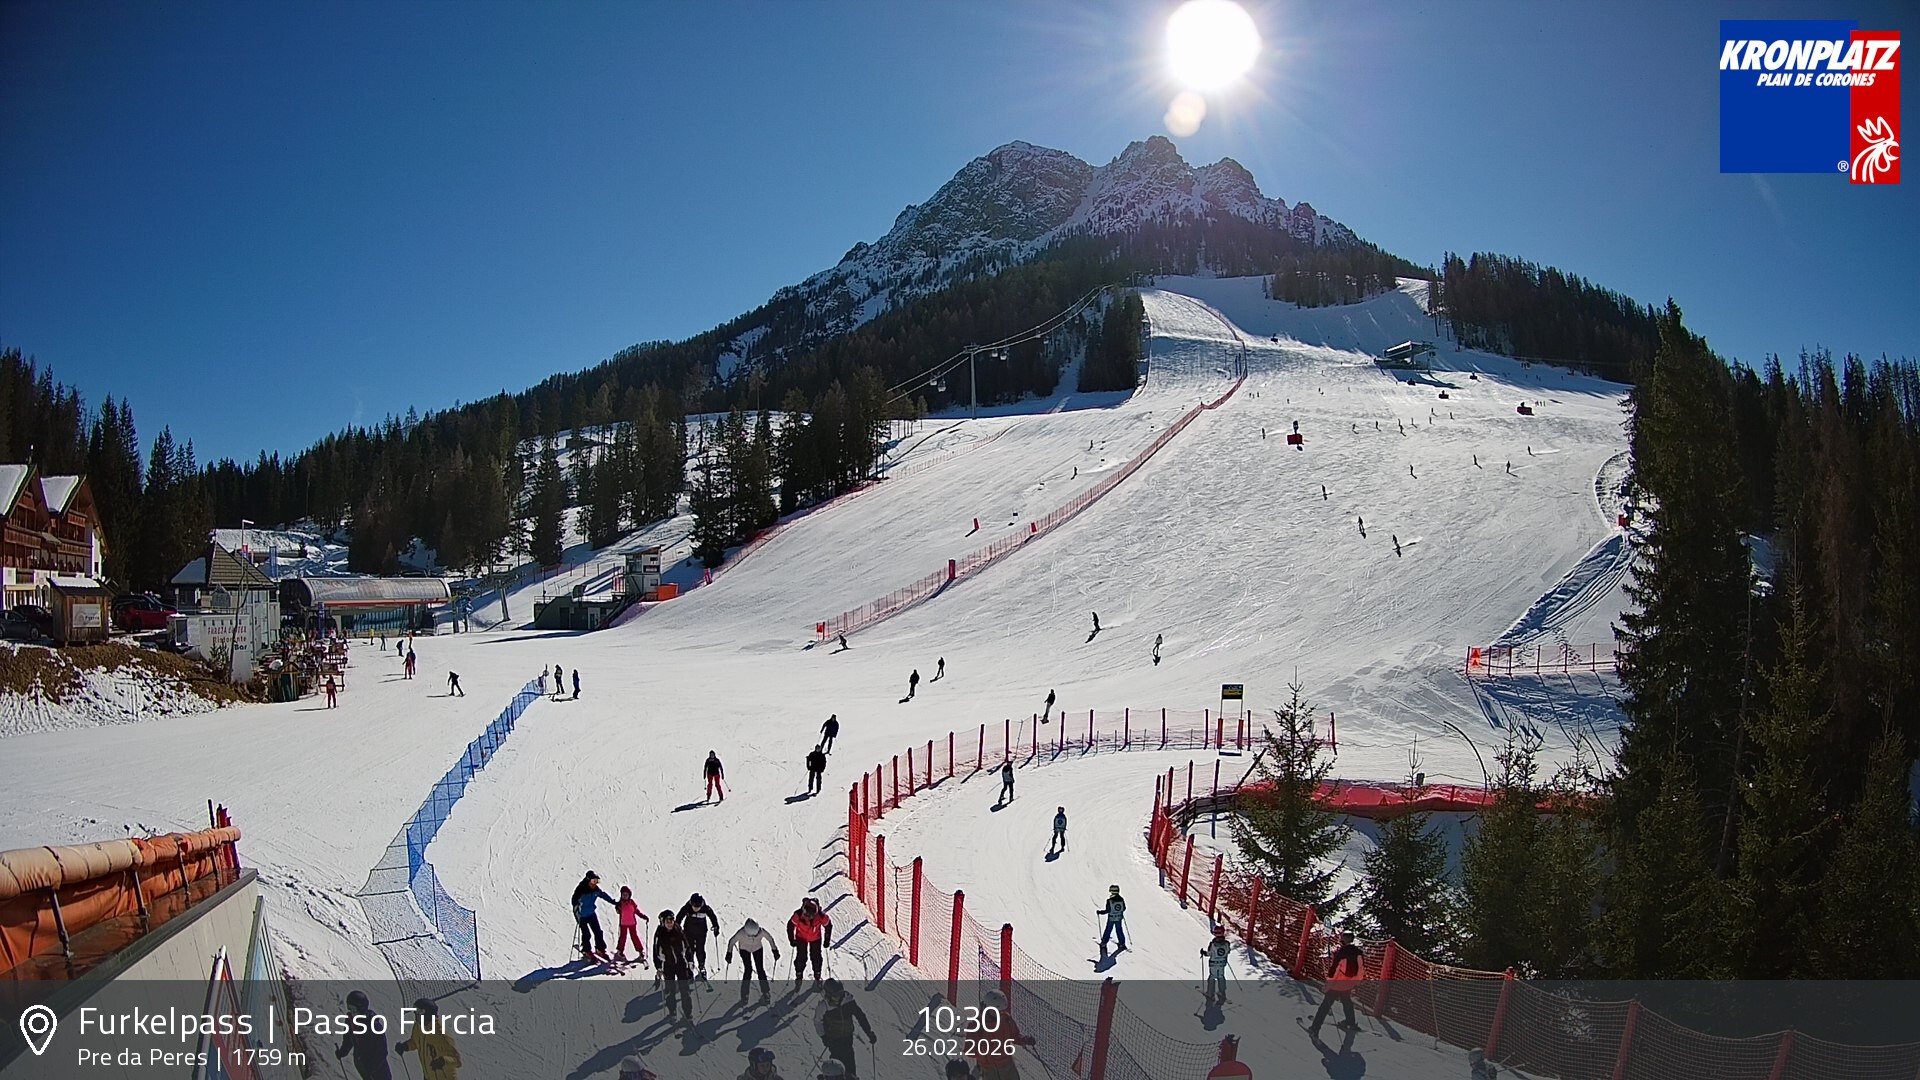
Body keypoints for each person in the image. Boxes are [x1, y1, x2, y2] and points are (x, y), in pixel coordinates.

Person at [815, 979, 877, 1077]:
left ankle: (852, 1077)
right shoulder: (824, 1006)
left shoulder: (848, 1001)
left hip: (847, 1038)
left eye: (841, 993)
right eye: (836, 995)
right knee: (837, 1063)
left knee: (849, 1062)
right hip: (833, 1040)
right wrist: (824, 1037)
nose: (839, 997)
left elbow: (859, 1015)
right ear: (829, 995)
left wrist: (869, 1032)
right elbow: (818, 1022)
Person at [1307, 931, 1365, 1036]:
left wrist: (1327, 986)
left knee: (1325, 1006)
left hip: (1336, 985)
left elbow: (1334, 972)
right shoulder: (1358, 953)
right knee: (1347, 1002)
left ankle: (1315, 1028)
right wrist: (1355, 982)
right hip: (1348, 984)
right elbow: (1360, 970)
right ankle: (1351, 1023)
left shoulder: (1341, 954)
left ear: (1343, 940)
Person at [394, 998, 461, 1080]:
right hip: (429, 1076)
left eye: (418, 1013)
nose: (415, 1015)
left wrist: (443, 1061)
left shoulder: (441, 1035)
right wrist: (405, 1046)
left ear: (427, 1015)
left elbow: (457, 1060)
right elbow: (415, 1042)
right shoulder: (418, 1026)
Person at [971, 989, 1031, 1080]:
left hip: (1007, 1065)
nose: (999, 1014)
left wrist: (1024, 1040)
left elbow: (1014, 1035)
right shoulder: (979, 1024)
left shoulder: (1006, 1019)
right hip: (990, 1069)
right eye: (995, 1011)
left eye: (1001, 1011)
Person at [333, 989, 392, 1080]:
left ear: (362, 1008)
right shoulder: (350, 1021)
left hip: (378, 1068)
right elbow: (348, 1040)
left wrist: (372, 1068)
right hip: (361, 1063)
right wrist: (342, 1052)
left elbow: (382, 1050)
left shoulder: (373, 1025)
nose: (351, 1012)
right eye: (349, 1008)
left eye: (354, 1009)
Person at [654, 909, 696, 1023]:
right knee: (670, 991)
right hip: (668, 965)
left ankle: (688, 1013)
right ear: (662, 922)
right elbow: (656, 952)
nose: (670, 923)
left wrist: (690, 961)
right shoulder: (660, 934)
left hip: (681, 963)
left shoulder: (678, 930)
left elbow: (687, 946)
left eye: (672, 920)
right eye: (667, 921)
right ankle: (672, 1012)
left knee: (685, 990)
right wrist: (659, 967)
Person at [727, 918, 782, 1003]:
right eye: (751, 936)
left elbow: (770, 939)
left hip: (757, 949)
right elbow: (731, 941)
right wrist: (729, 953)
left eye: (755, 935)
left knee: (760, 969)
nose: (753, 937)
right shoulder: (741, 933)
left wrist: (774, 950)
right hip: (744, 949)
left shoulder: (761, 931)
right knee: (748, 970)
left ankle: (766, 992)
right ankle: (745, 994)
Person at [572, 872, 616, 961]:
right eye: (593, 881)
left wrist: (614, 902)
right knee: (586, 934)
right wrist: (577, 907)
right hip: (582, 915)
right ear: (588, 880)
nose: (595, 883)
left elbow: (603, 895)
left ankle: (600, 948)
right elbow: (574, 900)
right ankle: (587, 950)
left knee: (598, 931)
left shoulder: (595, 890)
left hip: (591, 913)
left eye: (596, 881)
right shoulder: (581, 890)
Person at [787, 896, 832, 984]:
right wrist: (792, 939)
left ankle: (817, 975)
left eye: (811, 916)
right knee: (801, 957)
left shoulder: (821, 916)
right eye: (807, 915)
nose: (809, 917)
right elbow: (790, 926)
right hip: (801, 937)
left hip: (815, 938)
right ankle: (799, 975)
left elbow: (828, 926)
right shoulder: (798, 914)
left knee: (816, 957)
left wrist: (827, 940)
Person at [677, 893, 721, 978]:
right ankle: (689, 967)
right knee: (690, 950)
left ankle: (701, 966)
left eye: (698, 907)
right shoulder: (687, 907)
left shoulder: (706, 908)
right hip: (688, 931)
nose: (696, 909)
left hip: (701, 932)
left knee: (700, 949)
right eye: (694, 907)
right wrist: (677, 929)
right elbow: (679, 917)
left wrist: (716, 927)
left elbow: (712, 917)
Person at [614, 887, 649, 965]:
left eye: (626, 894)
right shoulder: (620, 903)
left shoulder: (631, 902)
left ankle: (640, 951)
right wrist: (617, 908)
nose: (625, 896)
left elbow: (636, 911)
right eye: (623, 895)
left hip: (632, 923)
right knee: (623, 937)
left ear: (629, 895)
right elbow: (618, 911)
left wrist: (643, 916)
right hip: (623, 923)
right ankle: (620, 951)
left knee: (634, 937)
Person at [1202, 925, 1232, 1003]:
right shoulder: (1226, 943)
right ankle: (1222, 992)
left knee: (1212, 977)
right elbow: (1228, 951)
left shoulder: (1213, 944)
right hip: (1222, 963)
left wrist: (1204, 953)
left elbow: (1209, 953)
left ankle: (1210, 993)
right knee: (1221, 977)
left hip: (1213, 963)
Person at [1096, 885, 1127, 951]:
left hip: (1111, 918)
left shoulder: (1109, 900)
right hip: (1119, 918)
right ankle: (1122, 943)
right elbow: (1124, 908)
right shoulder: (1121, 899)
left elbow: (1108, 910)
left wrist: (1100, 912)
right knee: (1119, 930)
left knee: (1108, 930)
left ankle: (1104, 943)